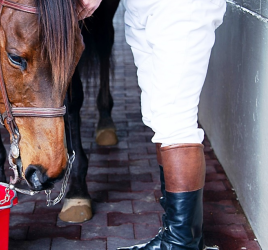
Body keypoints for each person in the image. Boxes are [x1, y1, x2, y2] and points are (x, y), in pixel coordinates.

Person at [81, 0, 226, 249]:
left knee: (174, 120)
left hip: (177, 7)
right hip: (140, 8)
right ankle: (178, 236)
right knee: (157, 117)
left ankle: (180, 244)